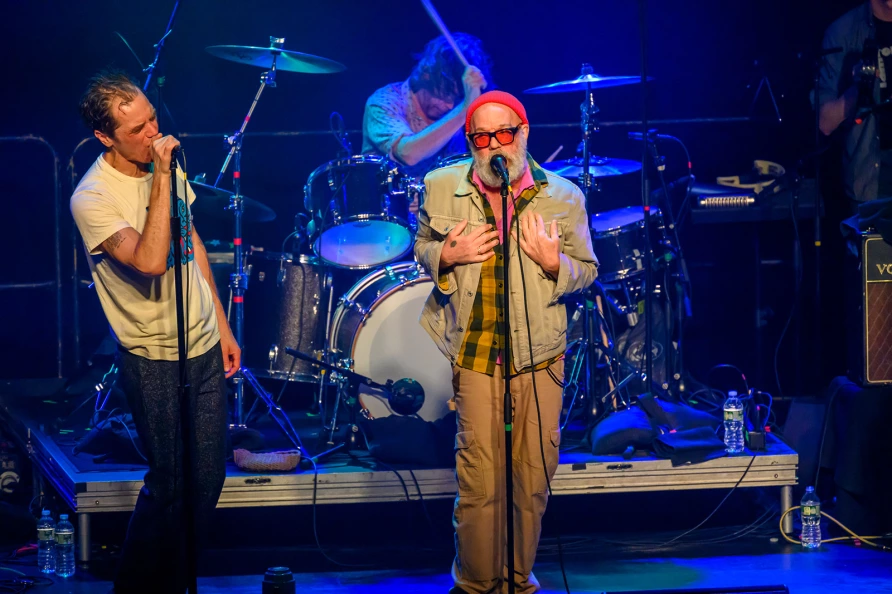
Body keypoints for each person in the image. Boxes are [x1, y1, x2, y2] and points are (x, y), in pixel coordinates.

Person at [414, 90, 598, 594]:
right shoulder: (440, 185)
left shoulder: (563, 196)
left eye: (503, 134)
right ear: (470, 142)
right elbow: (422, 247)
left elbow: (588, 271)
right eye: (481, 137)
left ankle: (518, 582)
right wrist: (443, 256)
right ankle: (475, 585)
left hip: (539, 355)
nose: (494, 145)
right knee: (480, 477)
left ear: (524, 133)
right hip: (475, 353)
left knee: (532, 476)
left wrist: (555, 262)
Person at [70, 71, 240, 594]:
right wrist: (161, 179)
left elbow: (190, 244)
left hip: (204, 341)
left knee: (207, 480)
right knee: (170, 484)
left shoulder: (164, 168)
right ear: (107, 138)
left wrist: (223, 322)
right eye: (139, 129)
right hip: (154, 355)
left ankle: (176, 582)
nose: (154, 134)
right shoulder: (93, 197)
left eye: (153, 120)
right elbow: (149, 261)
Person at [362, 33, 492, 182]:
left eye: (456, 100)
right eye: (445, 95)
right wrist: (464, 110)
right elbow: (408, 154)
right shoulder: (384, 102)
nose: (450, 106)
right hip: (384, 204)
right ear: (425, 74)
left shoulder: (453, 111)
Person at [818, 0, 892, 208]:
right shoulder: (843, 32)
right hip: (871, 181)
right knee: (872, 240)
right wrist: (859, 87)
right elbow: (825, 122)